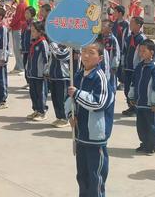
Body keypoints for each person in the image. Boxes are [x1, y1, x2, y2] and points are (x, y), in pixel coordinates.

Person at [68, 41, 115, 197]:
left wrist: (77, 94)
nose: (86, 56)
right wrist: (71, 115)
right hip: (81, 135)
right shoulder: (78, 75)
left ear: (100, 58)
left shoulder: (100, 78)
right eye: (84, 51)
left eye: (91, 53)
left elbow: (98, 103)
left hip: (95, 136)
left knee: (96, 176)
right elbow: (69, 99)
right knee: (82, 175)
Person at [129, 40, 155, 155]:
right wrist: (132, 96)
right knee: (141, 126)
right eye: (140, 51)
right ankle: (144, 143)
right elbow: (134, 82)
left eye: (144, 51)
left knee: (151, 125)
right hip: (140, 102)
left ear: (152, 52)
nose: (141, 53)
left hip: (150, 104)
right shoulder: (139, 66)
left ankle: (152, 145)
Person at [121, 16, 146, 116]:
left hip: (137, 68)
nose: (130, 25)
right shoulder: (128, 38)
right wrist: (123, 64)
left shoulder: (142, 38)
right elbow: (124, 51)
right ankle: (130, 106)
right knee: (127, 88)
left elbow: (143, 53)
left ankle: (136, 107)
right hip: (128, 67)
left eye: (132, 23)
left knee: (135, 88)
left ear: (139, 26)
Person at [26, 21, 49, 121]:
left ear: (40, 32)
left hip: (40, 74)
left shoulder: (43, 43)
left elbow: (46, 59)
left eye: (34, 31)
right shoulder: (33, 42)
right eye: (31, 30)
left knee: (41, 93)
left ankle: (42, 111)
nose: (32, 32)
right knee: (33, 93)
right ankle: (36, 109)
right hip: (32, 73)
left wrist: (45, 71)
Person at [47, 36, 70, 128]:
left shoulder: (70, 45)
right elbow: (54, 56)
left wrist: (66, 46)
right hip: (53, 75)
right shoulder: (54, 43)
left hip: (63, 75)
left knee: (63, 98)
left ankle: (65, 118)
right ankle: (59, 117)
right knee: (55, 98)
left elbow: (61, 55)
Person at [98, 19, 120, 90]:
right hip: (100, 65)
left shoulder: (113, 39)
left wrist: (114, 65)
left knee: (110, 84)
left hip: (110, 67)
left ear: (110, 28)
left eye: (104, 26)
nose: (102, 27)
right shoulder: (99, 38)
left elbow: (116, 54)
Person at [9, 0, 28, 75]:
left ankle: (21, 67)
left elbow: (17, 17)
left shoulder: (21, 5)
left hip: (18, 28)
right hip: (18, 27)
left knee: (18, 48)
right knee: (16, 49)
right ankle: (18, 66)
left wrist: (10, 25)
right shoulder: (23, 4)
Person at [112, 5, 129, 90]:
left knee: (122, 66)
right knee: (115, 65)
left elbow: (126, 37)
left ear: (120, 13)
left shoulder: (126, 24)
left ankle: (122, 83)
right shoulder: (114, 23)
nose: (113, 13)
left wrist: (124, 48)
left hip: (122, 49)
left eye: (115, 12)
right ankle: (115, 82)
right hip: (114, 48)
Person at [21, 6, 37, 88]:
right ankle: (28, 82)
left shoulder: (35, 23)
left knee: (30, 65)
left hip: (31, 48)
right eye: (25, 13)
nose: (26, 15)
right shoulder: (25, 23)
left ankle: (31, 82)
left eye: (27, 13)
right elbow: (23, 36)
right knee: (25, 65)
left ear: (32, 14)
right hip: (25, 49)